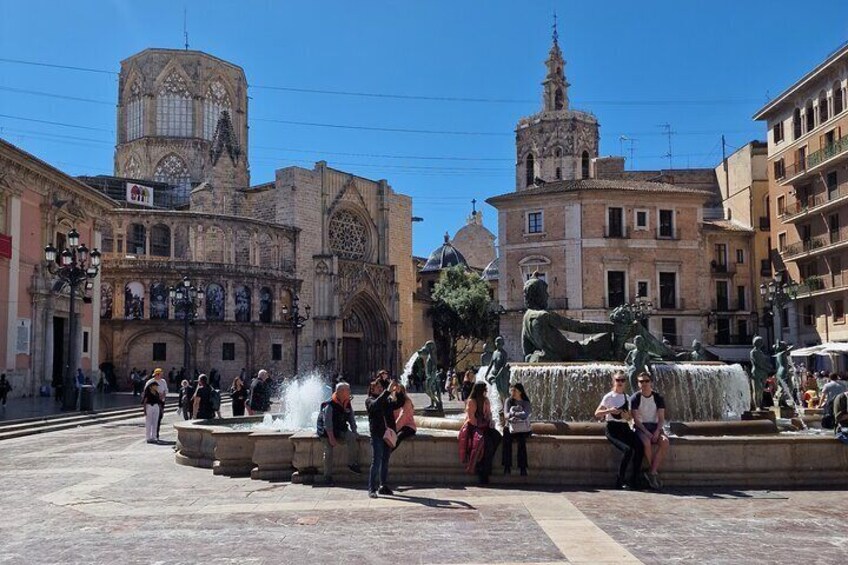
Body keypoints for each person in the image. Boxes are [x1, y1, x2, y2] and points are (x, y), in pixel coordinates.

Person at [595, 371, 644, 490]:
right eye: (618, 380)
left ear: (625, 382)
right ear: (614, 381)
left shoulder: (627, 397)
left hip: (624, 428)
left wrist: (626, 416)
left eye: (622, 380)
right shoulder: (609, 396)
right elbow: (597, 413)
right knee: (627, 450)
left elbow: (629, 418)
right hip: (612, 429)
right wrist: (609, 410)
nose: (620, 383)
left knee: (640, 447)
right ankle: (619, 480)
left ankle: (634, 479)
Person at [316, 382, 362, 485]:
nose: (350, 391)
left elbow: (351, 418)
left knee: (351, 437)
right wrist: (331, 438)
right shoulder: (330, 404)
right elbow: (327, 423)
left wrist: (354, 431)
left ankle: (351, 464)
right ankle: (327, 477)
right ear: (341, 392)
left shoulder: (346, 402)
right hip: (326, 432)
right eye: (348, 390)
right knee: (328, 451)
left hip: (340, 428)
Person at [630, 372, 669, 490]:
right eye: (641, 382)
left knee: (665, 442)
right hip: (641, 427)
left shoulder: (658, 397)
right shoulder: (635, 398)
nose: (644, 384)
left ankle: (652, 471)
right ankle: (653, 472)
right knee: (646, 443)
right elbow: (636, 420)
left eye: (646, 381)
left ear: (651, 382)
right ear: (638, 384)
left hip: (655, 426)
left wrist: (657, 431)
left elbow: (661, 418)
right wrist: (646, 432)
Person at [458, 381, 501, 484]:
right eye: (485, 390)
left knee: (497, 436)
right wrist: (480, 424)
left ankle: (485, 464)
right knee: (484, 444)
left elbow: (489, 414)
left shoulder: (486, 401)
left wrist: (489, 421)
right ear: (480, 390)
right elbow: (471, 418)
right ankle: (482, 470)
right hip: (474, 427)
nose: (486, 392)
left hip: (485, 426)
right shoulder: (471, 401)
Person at [365, 378, 400, 498]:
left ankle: (383, 485)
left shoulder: (385, 399)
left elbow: (397, 404)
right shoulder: (369, 400)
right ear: (372, 389)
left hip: (387, 434)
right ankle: (371, 488)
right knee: (376, 461)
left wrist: (399, 393)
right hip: (377, 435)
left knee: (385, 461)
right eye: (378, 387)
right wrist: (387, 392)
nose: (380, 388)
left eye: (381, 387)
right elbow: (375, 405)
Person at [502, 383, 532, 476]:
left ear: (520, 392)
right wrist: (516, 415)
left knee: (522, 441)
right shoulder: (508, 401)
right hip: (511, 426)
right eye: (511, 390)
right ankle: (507, 466)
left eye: (515, 391)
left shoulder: (526, 402)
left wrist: (513, 414)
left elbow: (525, 415)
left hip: (522, 427)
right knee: (506, 437)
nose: (512, 393)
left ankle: (523, 467)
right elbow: (506, 415)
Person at [144, 368, 168, 440]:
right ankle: (149, 436)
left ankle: (155, 435)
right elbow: (145, 392)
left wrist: (162, 396)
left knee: (158, 419)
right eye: (160, 374)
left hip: (160, 402)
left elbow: (166, 391)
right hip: (151, 402)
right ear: (157, 374)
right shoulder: (150, 382)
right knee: (149, 420)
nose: (161, 375)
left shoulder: (163, 381)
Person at [392, 383, 417, 449]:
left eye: (398, 390)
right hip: (398, 426)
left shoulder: (407, 401)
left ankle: (388, 453)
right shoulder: (394, 402)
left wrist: (394, 429)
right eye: (394, 390)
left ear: (402, 391)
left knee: (398, 436)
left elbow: (402, 416)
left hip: (409, 427)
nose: (396, 392)